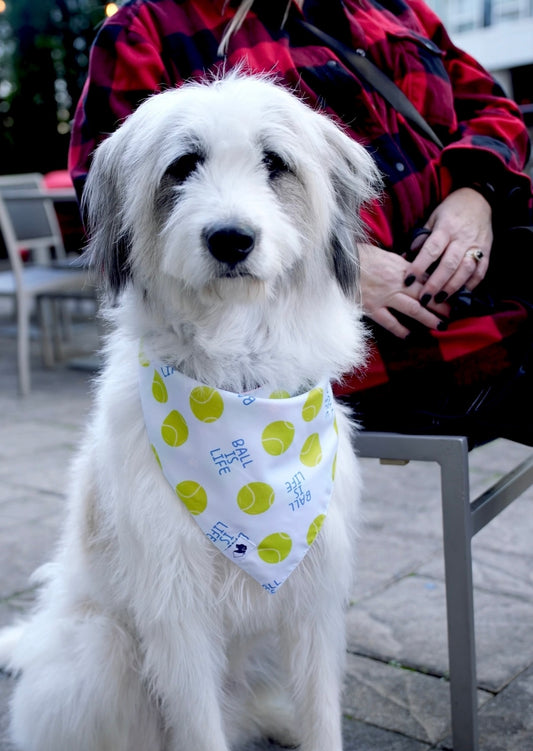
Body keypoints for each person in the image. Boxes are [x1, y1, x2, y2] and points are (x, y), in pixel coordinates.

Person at [69, 0, 533, 445]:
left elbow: (490, 106)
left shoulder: (395, 8)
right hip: (339, 347)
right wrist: (337, 257)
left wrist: (478, 193)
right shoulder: (146, 29)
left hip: (494, 285)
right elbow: (115, 197)